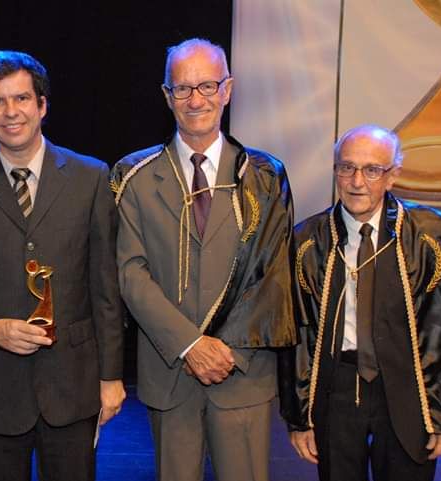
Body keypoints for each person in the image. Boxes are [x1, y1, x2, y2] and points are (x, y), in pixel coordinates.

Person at [0, 50, 125, 481]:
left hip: (73, 389)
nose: (10, 111)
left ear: (42, 104)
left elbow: (105, 287)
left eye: (20, 98)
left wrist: (111, 377)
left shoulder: (91, 177)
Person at [111, 38, 296, 481]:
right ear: (166, 96)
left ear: (228, 90)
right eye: (183, 88)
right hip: (169, 373)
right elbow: (131, 274)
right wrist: (191, 346)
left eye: (208, 86)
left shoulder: (265, 175)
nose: (196, 100)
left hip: (242, 373)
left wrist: (224, 351)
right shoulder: (132, 177)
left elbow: (274, 273)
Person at [281, 124, 441, 480]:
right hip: (337, 390)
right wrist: (299, 416)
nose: (357, 182)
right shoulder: (308, 240)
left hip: (408, 390)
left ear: (392, 175)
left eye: (372, 170)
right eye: (346, 167)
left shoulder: (430, 233)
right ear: (335, 170)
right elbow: (298, 334)